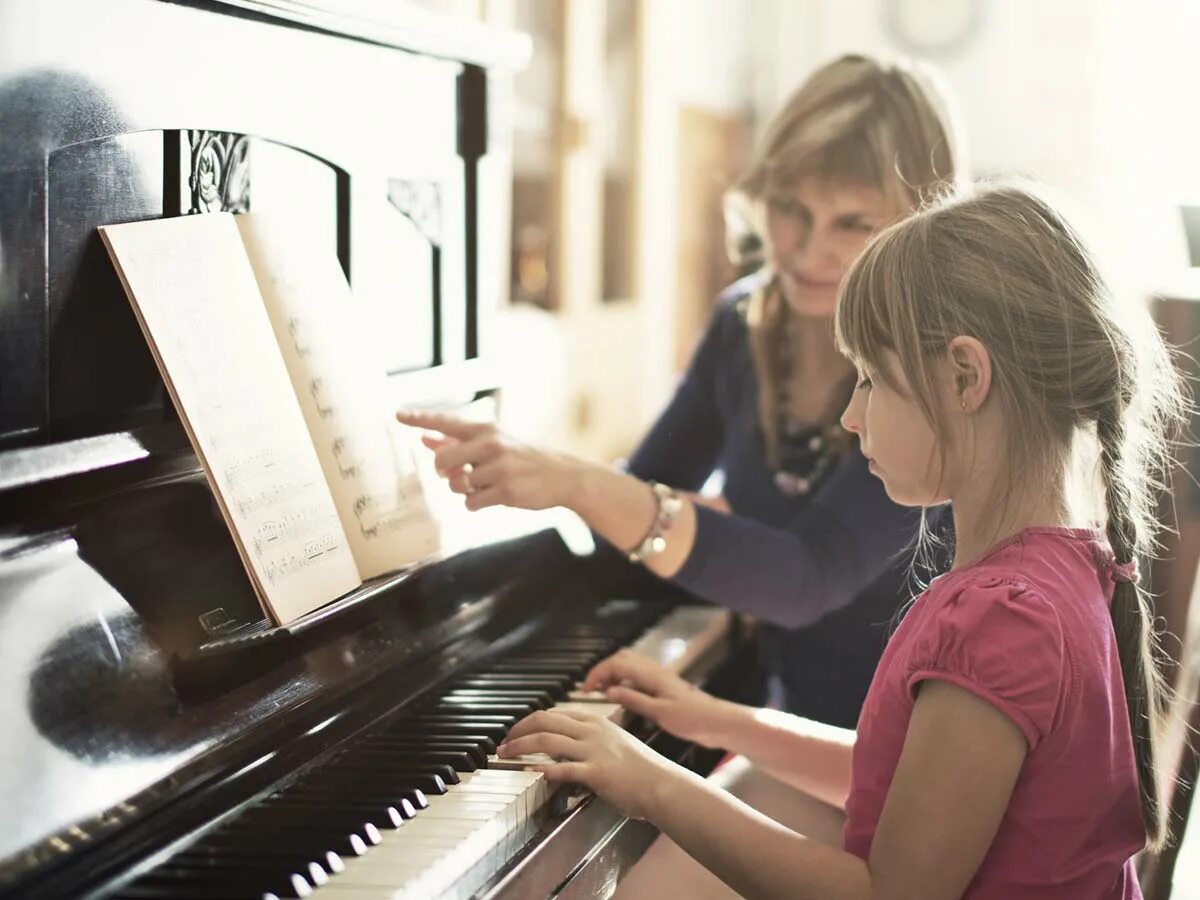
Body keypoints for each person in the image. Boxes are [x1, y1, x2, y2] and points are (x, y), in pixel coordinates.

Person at [492, 183, 1183, 898]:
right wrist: (713, 719)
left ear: (965, 377)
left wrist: (651, 784)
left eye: (869, 379)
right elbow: (905, 781)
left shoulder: (1003, 618)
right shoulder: (1062, 569)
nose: (851, 417)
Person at [398, 54, 964, 731]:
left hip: (904, 752)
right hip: (790, 721)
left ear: (920, 225)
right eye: (790, 208)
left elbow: (804, 578)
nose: (804, 250)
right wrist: (457, 613)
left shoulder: (934, 377)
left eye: (853, 223)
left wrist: (579, 482)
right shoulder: (743, 324)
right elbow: (633, 519)